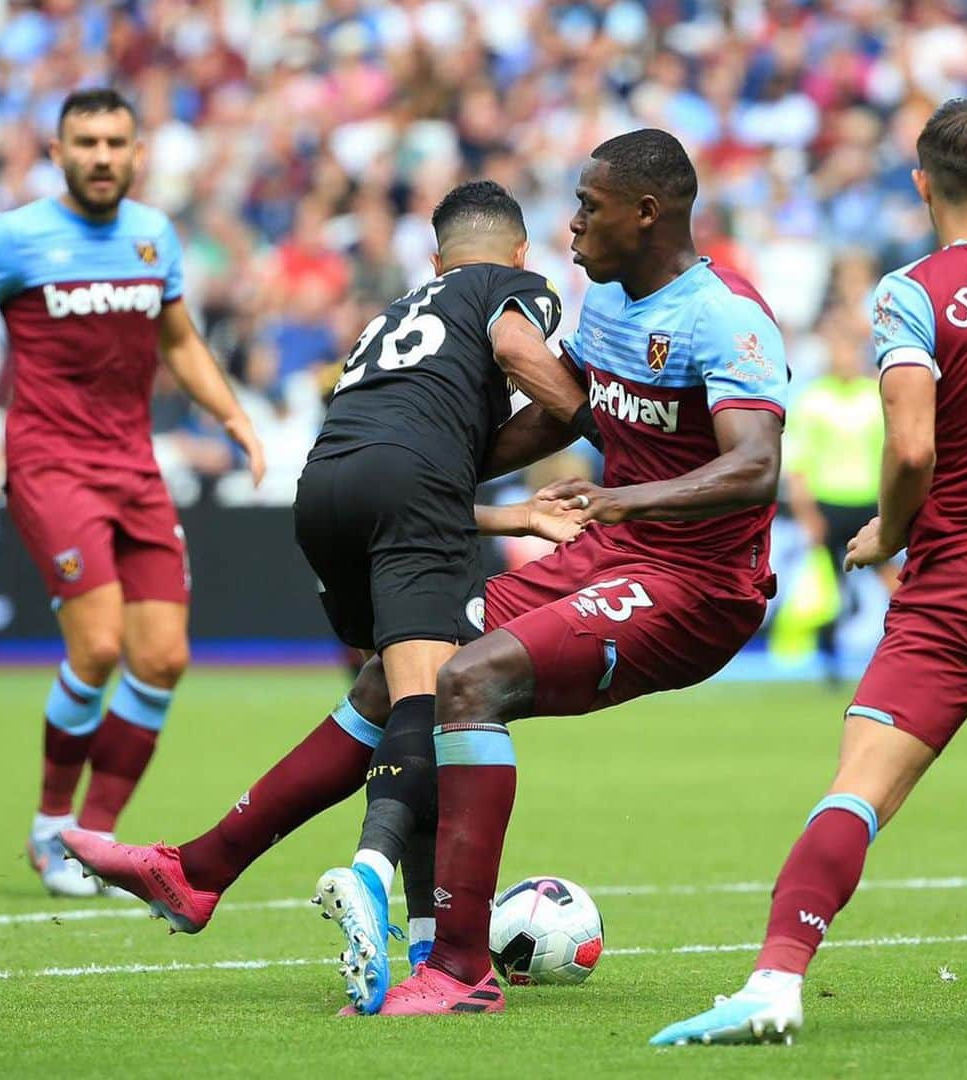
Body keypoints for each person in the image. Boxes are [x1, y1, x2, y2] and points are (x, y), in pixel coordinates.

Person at [63, 129, 789, 1017]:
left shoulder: (726, 314)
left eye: (589, 209)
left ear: (648, 213)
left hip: (698, 585)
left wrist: (625, 503)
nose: (571, 227)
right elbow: (560, 422)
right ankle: (198, 872)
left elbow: (755, 467)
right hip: (611, 554)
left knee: (466, 679)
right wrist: (436, 460)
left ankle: (460, 968)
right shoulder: (604, 309)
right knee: (390, 675)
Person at [67, 178, 598, 1007]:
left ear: (434, 257)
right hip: (408, 492)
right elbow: (522, 357)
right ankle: (371, 870)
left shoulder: (396, 315)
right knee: (437, 706)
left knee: (390, 694)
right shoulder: (509, 289)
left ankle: (202, 870)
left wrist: (517, 513)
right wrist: (616, 433)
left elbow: (405, 458)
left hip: (324, 492)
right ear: (521, 254)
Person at [653, 95, 967, 1047]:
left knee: (859, 787)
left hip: (966, 583)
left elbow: (910, 451)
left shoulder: (912, 292)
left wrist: (888, 535)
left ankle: (777, 982)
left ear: (921, 184)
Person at [0, 89, 265, 898]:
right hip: (51, 465)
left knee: (162, 658)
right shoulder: (16, 237)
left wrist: (234, 416)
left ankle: (94, 836)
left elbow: (180, 341)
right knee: (96, 647)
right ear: (57, 153)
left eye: (114, 141)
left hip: (134, 468)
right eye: (84, 141)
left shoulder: (153, 236)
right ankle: (54, 826)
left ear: (137, 153)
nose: (100, 154)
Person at [784, 311, 898, 682]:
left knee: (895, 583)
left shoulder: (874, 396)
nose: (844, 358)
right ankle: (829, 658)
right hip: (828, 505)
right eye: (838, 350)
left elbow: (895, 455)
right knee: (831, 590)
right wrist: (807, 516)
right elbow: (798, 465)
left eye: (850, 350)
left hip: (869, 506)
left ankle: (908, 646)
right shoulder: (814, 399)